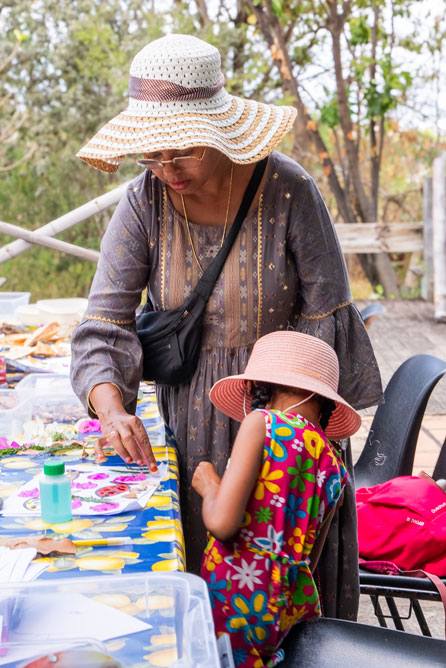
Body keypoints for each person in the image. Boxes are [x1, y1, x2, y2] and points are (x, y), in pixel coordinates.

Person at [70, 33, 382, 618]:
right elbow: (104, 323)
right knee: (204, 603)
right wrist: (112, 410)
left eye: (182, 150)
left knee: (279, 610)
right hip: (190, 428)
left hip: (289, 433)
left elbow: (327, 323)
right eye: (153, 155)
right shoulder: (144, 202)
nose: (168, 169)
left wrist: (278, 443)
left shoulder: (288, 189)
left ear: (217, 130)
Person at [192, 330, 360, 667]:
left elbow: (224, 525)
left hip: (235, 599)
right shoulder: (336, 468)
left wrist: (209, 484)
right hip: (287, 607)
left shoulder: (261, 425)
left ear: (260, 388)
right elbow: (307, 561)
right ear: (323, 401)